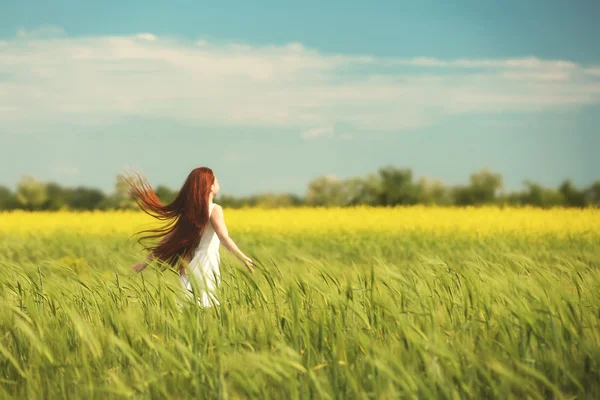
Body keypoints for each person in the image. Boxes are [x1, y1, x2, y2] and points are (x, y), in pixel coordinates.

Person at [127, 166, 254, 307]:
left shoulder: (189, 212)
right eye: (216, 181)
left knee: (189, 307)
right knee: (207, 306)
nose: (219, 184)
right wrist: (242, 257)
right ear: (210, 186)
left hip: (189, 264)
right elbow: (224, 237)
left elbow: (169, 239)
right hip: (206, 264)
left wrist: (144, 262)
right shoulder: (214, 209)